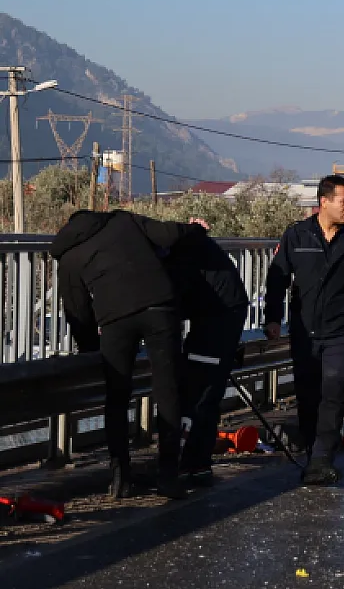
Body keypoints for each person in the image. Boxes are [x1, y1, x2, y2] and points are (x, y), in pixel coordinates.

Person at [50, 210, 196, 499]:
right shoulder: (122, 220)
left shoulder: (69, 257)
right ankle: (168, 475)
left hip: (115, 320)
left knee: (117, 397)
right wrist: (192, 228)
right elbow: (166, 233)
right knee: (167, 390)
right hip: (159, 307)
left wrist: (91, 349)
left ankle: (120, 477)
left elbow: (77, 311)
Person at [264, 175, 344, 486]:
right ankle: (314, 453)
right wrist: (273, 318)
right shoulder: (297, 235)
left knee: (334, 389)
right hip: (305, 330)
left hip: (343, 329)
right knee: (308, 394)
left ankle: (323, 458)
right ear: (323, 202)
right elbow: (277, 279)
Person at [166, 221, 252, 488]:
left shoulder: (180, 252)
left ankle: (186, 462)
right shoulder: (193, 246)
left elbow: (173, 297)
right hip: (222, 315)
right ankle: (198, 463)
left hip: (217, 320)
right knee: (206, 392)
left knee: (198, 392)